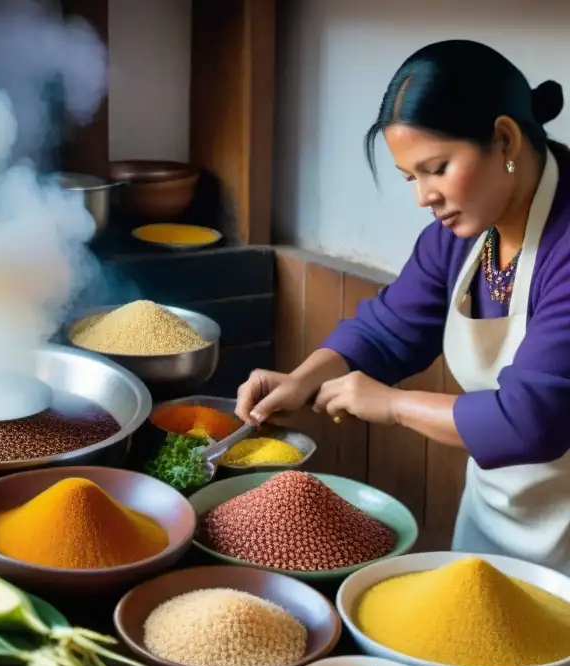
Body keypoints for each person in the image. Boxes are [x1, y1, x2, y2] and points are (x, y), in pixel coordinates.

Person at [235, 40, 570, 574]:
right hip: (493, 516)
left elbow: (531, 421)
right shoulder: (462, 232)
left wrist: (392, 404)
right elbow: (391, 329)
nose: (424, 197)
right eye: (411, 178)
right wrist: (303, 377)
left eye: (437, 168)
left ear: (504, 138)